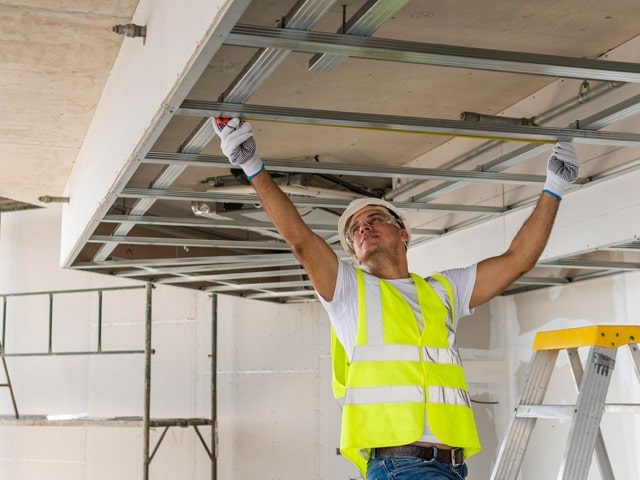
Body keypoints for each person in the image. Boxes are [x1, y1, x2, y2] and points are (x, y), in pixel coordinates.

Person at [213, 118, 579, 480]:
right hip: (400, 466)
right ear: (354, 255)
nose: (363, 229)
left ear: (403, 233)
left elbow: (518, 260)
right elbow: (303, 242)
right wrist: (251, 166)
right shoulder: (349, 293)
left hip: (449, 467)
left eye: (373, 219)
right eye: (355, 231)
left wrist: (555, 185)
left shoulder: (442, 291)